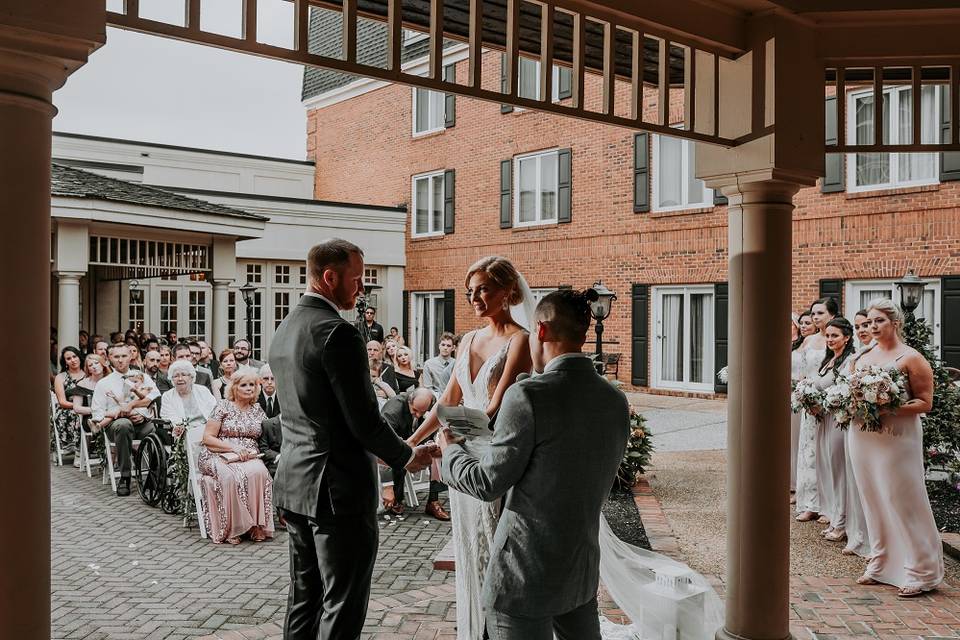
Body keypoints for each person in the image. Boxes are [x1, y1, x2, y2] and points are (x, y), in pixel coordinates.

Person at [268, 238, 436, 640]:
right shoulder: (338, 334)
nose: (361, 290)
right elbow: (365, 422)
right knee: (343, 601)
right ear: (330, 277)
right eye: (357, 279)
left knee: (304, 597)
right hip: (337, 489)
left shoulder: (285, 327)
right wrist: (407, 455)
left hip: (294, 481)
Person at [438, 288, 628, 640]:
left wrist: (449, 450)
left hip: (523, 575)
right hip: (580, 571)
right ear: (584, 334)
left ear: (540, 331)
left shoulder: (529, 396)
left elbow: (487, 482)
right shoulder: (615, 400)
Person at [407, 256, 533, 640]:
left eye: (483, 289)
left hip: (494, 457)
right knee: (469, 548)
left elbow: (496, 406)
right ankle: (473, 628)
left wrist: (450, 437)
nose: (475, 298)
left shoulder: (520, 339)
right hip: (460, 452)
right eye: (470, 292)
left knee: (493, 546)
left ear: (508, 292)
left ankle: (497, 630)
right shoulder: (468, 339)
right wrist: (410, 442)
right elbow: (449, 398)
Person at [846, 299, 943, 597]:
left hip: (896, 436)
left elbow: (925, 402)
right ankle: (881, 560)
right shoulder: (861, 355)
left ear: (894, 323)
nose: (872, 327)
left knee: (901, 497)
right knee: (871, 496)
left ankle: (922, 570)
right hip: (861, 434)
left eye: (879, 322)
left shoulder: (911, 358)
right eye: (869, 322)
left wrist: (887, 407)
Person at [198, 368, 274, 545]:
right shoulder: (223, 406)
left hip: (247, 455)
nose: (249, 388)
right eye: (244, 385)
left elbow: (266, 433)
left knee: (260, 473)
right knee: (230, 476)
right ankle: (233, 528)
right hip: (218, 452)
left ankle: (256, 525)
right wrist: (233, 447)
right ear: (234, 387)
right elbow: (207, 438)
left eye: (253, 385)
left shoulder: (257, 409)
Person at [91, 343, 160, 496]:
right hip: (116, 427)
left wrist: (141, 413)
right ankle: (125, 476)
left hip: (141, 423)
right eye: (116, 357)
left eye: (124, 356)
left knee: (154, 430)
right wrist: (121, 413)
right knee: (123, 424)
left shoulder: (142, 377)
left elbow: (153, 397)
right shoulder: (104, 383)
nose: (120, 360)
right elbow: (98, 412)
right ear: (109, 359)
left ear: (130, 356)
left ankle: (152, 475)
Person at [811, 318, 856, 543]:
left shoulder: (850, 361)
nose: (829, 339)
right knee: (827, 468)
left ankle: (842, 523)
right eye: (827, 335)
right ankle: (833, 515)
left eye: (834, 336)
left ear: (846, 337)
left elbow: (847, 391)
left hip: (838, 421)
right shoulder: (829, 360)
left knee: (839, 470)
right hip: (823, 419)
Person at [795, 297, 837, 522]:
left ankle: (827, 505)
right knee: (808, 452)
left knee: (826, 454)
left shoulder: (835, 339)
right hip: (809, 402)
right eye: (813, 314)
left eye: (820, 313)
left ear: (831, 314)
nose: (815, 318)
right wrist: (804, 394)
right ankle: (810, 503)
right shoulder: (808, 341)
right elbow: (802, 371)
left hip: (828, 403)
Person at [380, 388, 449, 520]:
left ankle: (433, 501)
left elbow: (438, 425)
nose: (418, 415)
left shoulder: (431, 406)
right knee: (399, 457)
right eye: (415, 411)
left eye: (422, 412)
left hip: (420, 440)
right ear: (409, 401)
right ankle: (397, 498)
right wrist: (387, 486)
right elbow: (384, 448)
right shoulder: (393, 411)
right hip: (397, 444)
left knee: (439, 456)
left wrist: (436, 444)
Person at [159, 360, 218, 431]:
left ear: (191, 377)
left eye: (183, 375)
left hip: (206, 428)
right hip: (184, 432)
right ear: (172, 379)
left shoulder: (203, 390)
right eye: (176, 376)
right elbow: (167, 415)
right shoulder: (167, 396)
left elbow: (214, 409)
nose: (180, 379)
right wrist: (180, 426)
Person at [52, 346, 86, 457]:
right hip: (67, 409)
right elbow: (62, 402)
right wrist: (79, 407)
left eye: (74, 356)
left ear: (79, 357)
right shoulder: (60, 377)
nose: (73, 360)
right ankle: (77, 452)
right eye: (69, 358)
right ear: (65, 362)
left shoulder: (89, 374)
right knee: (75, 415)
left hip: (88, 409)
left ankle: (88, 450)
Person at [420, 332, 456, 396]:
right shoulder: (429, 364)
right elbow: (428, 388)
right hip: (436, 397)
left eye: (448, 346)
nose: (445, 348)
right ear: (439, 346)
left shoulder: (456, 364)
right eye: (443, 345)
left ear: (453, 348)